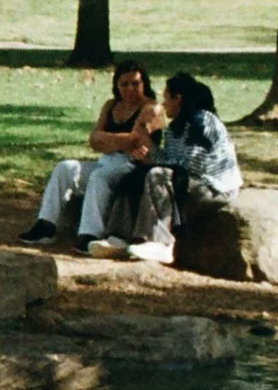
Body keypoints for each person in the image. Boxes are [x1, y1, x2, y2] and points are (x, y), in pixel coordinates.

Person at [102, 72, 244, 265]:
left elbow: (194, 164)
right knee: (134, 175)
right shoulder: (174, 129)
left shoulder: (203, 121)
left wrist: (156, 164)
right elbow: (169, 160)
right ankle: (118, 238)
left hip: (213, 188)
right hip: (186, 181)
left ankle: (161, 243)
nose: (163, 103)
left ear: (178, 99)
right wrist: (148, 148)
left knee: (158, 175)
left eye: (166, 98)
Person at [20, 61, 161, 252]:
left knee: (99, 177)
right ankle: (46, 226)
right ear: (116, 85)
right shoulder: (110, 105)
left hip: (133, 165)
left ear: (145, 84)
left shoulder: (151, 108)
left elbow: (133, 140)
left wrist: (106, 139)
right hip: (106, 160)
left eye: (136, 83)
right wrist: (112, 140)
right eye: (124, 84)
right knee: (65, 168)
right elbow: (93, 141)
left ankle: (90, 235)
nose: (130, 89)